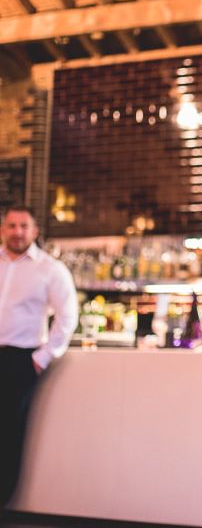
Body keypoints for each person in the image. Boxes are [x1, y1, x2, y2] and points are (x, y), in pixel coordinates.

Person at [0, 205, 78, 507]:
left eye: (24, 226)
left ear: (34, 231)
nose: (17, 232)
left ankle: (2, 506)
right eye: (12, 226)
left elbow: (67, 317)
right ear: (3, 230)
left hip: (20, 360)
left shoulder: (50, 269)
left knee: (8, 435)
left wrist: (43, 357)